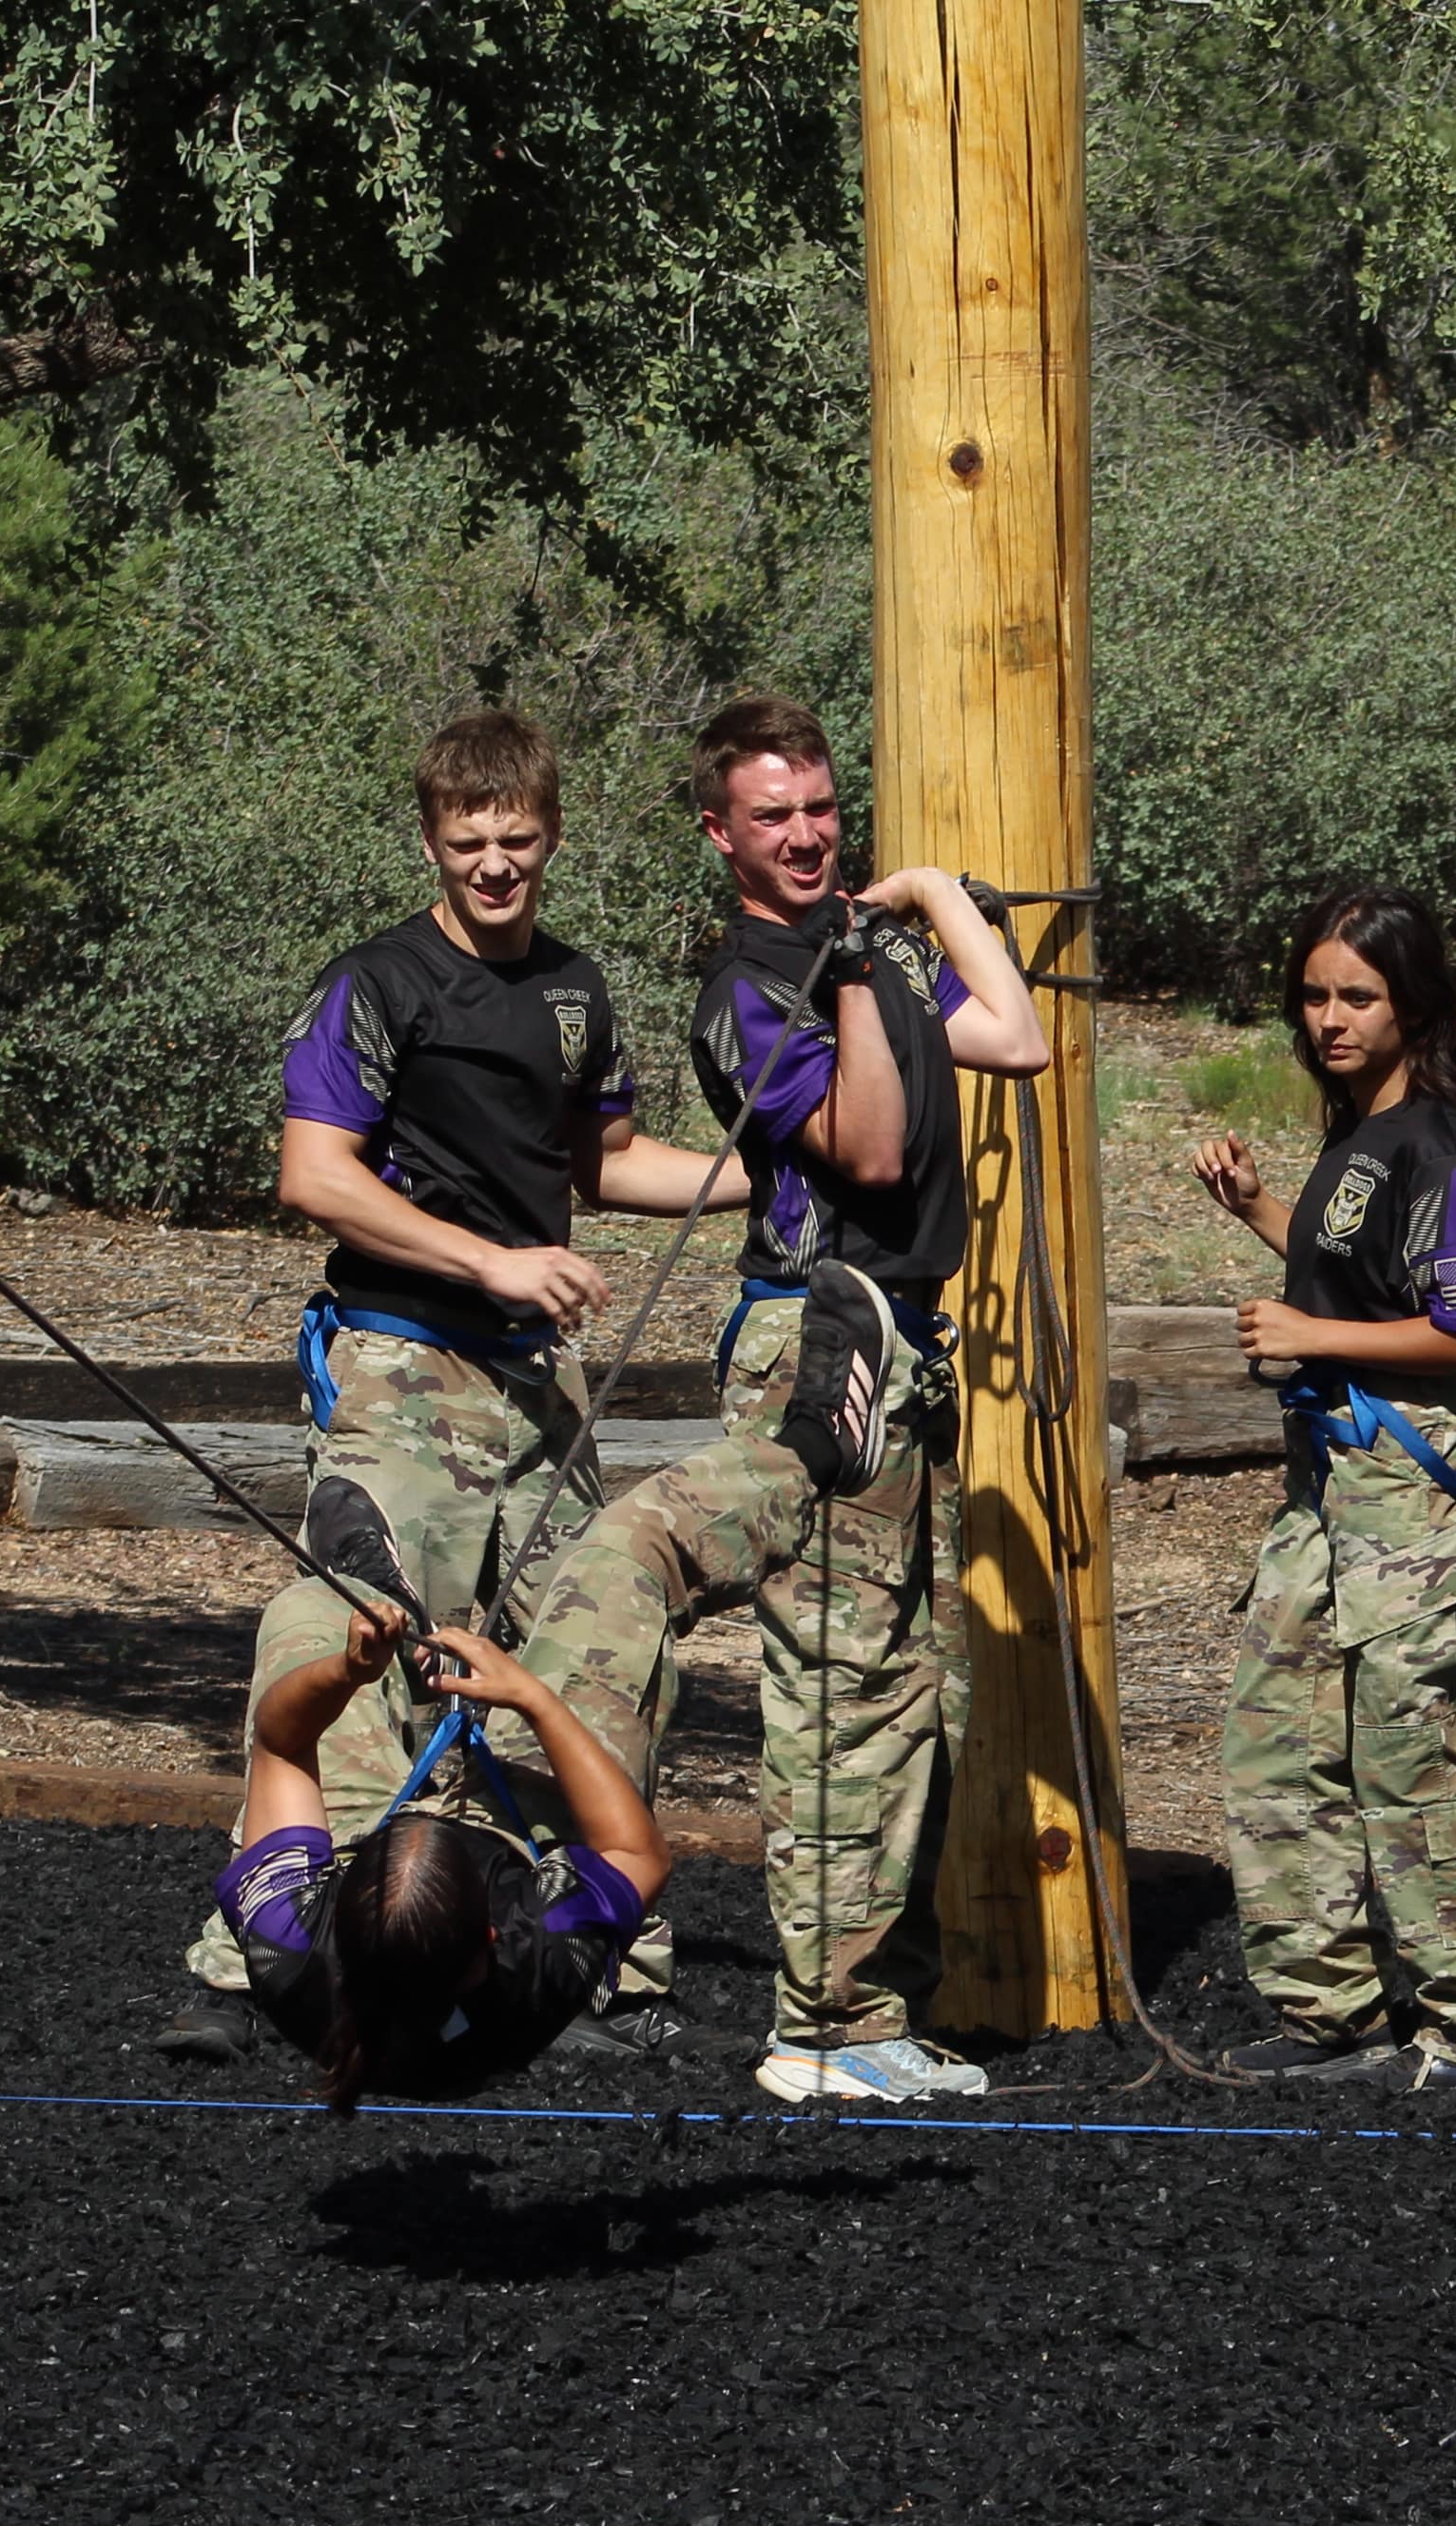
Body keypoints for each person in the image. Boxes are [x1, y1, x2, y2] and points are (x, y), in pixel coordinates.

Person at [157, 711, 744, 2063]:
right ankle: (255, 1965)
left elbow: (605, 1163)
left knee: (590, 1646)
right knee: (367, 1641)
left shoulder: (578, 992)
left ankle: (572, 1950)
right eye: (469, 844)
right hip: (402, 1364)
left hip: (537, 1387)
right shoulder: (379, 983)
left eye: (518, 843)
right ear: (432, 840)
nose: (495, 867)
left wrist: (761, 1181)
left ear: (551, 836)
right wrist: (494, 1258)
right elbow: (316, 1176)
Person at [506, 693, 1050, 2103]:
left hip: (894, 1339)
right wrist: (872, 964)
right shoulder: (754, 987)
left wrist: (928, 896)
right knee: (845, 1687)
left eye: (818, 808)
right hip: (818, 1336)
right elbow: (867, 1148)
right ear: (718, 834)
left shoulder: (861, 949)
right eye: (772, 817)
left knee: (891, 1683)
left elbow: (1017, 1036)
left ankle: (859, 2013)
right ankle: (827, 2026)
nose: (806, 837)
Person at [1185, 891, 1456, 2087]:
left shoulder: (1436, 1141)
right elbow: (1354, 1281)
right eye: (1314, 995)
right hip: (1324, 1499)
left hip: (1412, 1502)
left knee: (1414, 1762)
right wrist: (1256, 1215)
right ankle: (1327, 2011)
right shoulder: (1360, 1136)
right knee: (1276, 1742)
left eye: (1357, 997)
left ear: (1413, 1005)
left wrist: (1304, 1330)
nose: (1329, 1019)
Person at [211, 1599, 675, 2104]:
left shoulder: (292, 1946)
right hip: (510, 1838)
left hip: (359, 1838)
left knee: (308, 1608)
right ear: (492, 1934)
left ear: (340, 1913)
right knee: (614, 1590)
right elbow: (636, 1852)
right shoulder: (543, 1959)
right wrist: (533, 1698)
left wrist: (349, 1669)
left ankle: (378, 1599)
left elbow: (279, 1744)